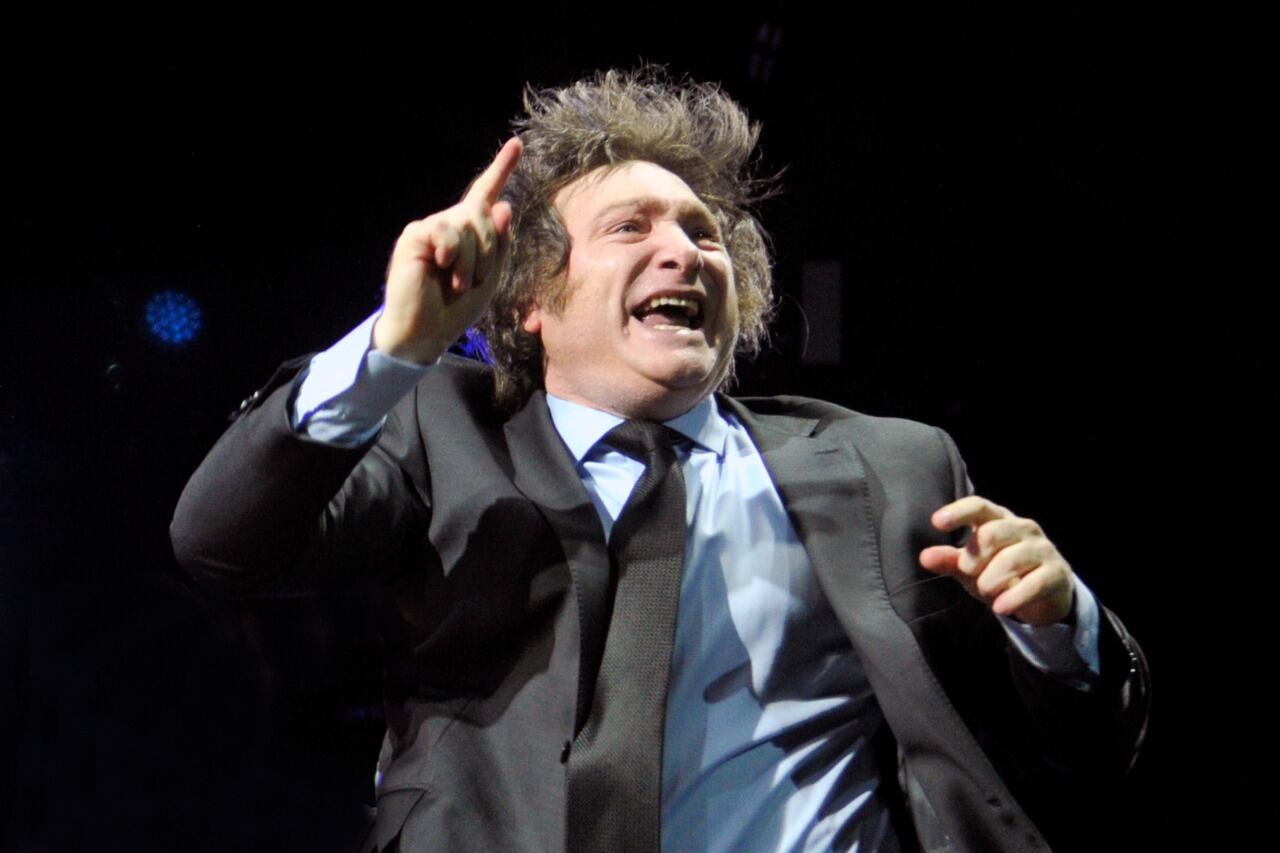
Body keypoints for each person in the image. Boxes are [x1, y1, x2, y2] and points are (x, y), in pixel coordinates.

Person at [172, 68, 1148, 852]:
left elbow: (1083, 751)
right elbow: (220, 543)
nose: (684, 251)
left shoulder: (893, 463)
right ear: (529, 299)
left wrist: (1060, 626)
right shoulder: (441, 427)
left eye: (702, 232)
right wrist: (394, 347)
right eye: (629, 227)